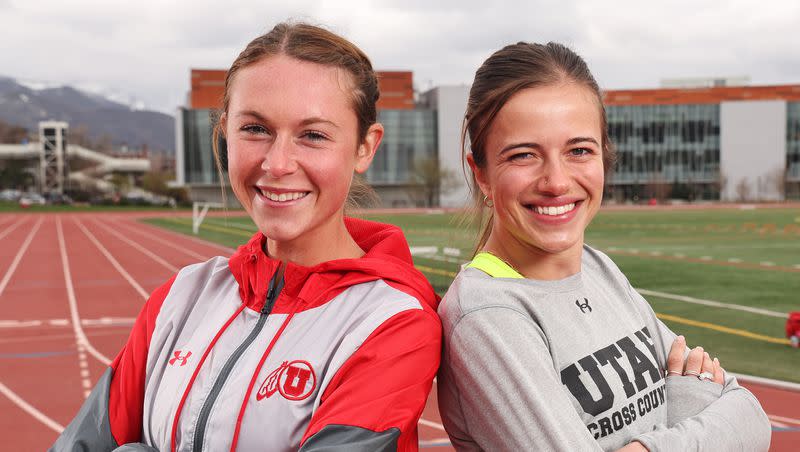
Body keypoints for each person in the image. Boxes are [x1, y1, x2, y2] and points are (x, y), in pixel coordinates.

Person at [52, 22, 441, 452]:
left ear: (365, 147)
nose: (277, 163)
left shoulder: (392, 322)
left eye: (313, 135)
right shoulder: (180, 299)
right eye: (255, 129)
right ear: (225, 133)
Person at [437, 41, 771, 451]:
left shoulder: (599, 270)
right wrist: (693, 401)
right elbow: (727, 420)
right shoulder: (487, 316)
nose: (557, 181)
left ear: (603, 155)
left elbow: (753, 417)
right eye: (524, 155)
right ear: (482, 174)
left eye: (579, 150)